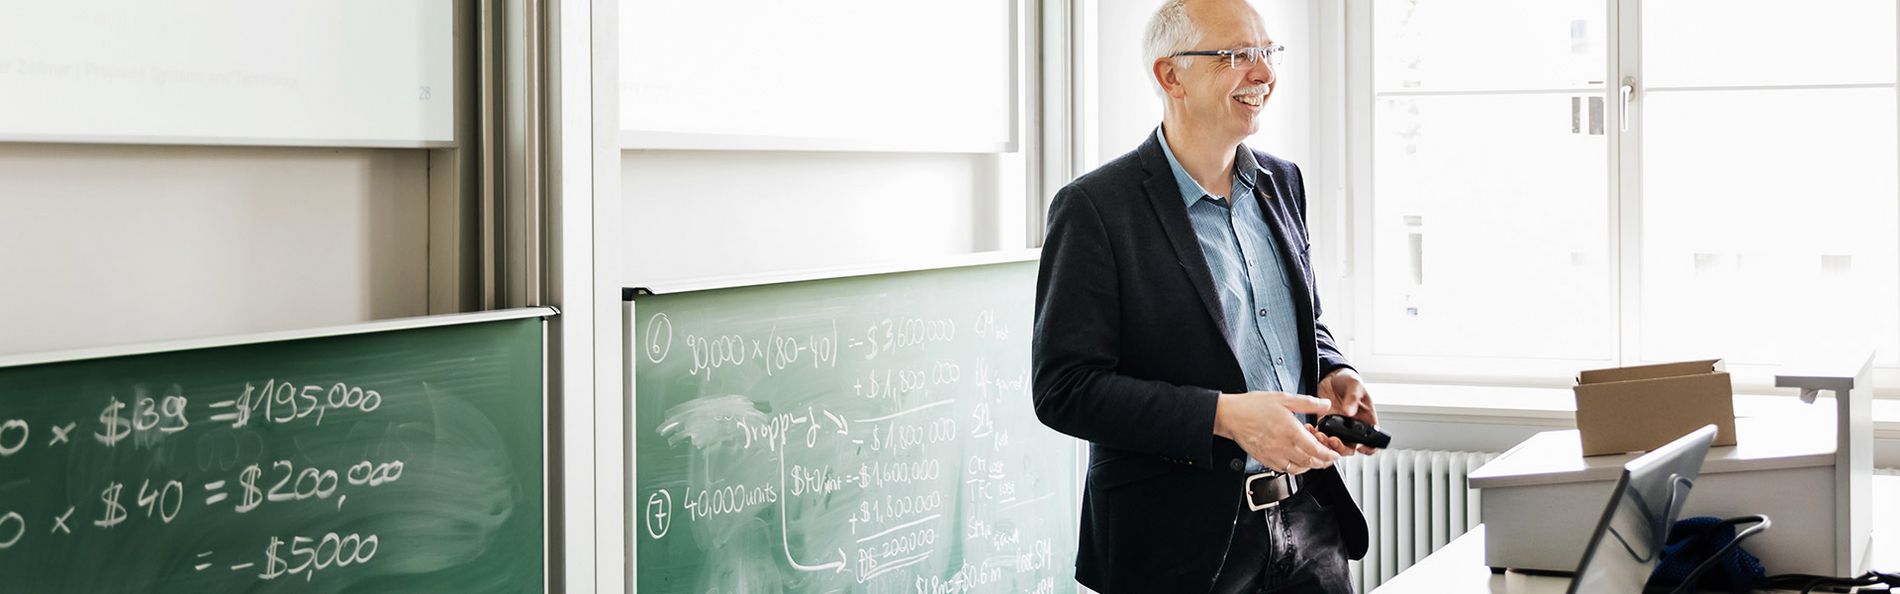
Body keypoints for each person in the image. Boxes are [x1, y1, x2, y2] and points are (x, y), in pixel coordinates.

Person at [1031, 0, 1378, 592]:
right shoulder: (1094, 209)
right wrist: (1223, 417)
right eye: (1237, 55)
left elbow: (1303, 323)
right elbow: (1064, 390)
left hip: (1308, 527)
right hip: (1175, 546)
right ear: (1171, 76)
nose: (1265, 74)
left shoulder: (1282, 181)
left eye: (1267, 53)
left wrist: (1332, 372)